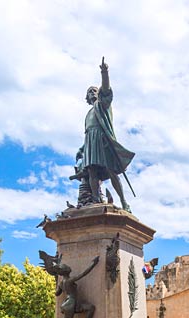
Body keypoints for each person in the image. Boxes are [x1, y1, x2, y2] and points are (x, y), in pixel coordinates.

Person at [75, 57, 135, 211]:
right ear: (86, 98)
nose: (93, 93)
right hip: (90, 143)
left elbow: (106, 89)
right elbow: (88, 132)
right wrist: (82, 149)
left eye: (95, 90)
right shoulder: (88, 113)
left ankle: (123, 202)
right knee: (92, 171)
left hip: (103, 141)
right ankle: (95, 199)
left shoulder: (102, 105)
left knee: (111, 171)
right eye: (89, 92)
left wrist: (104, 72)